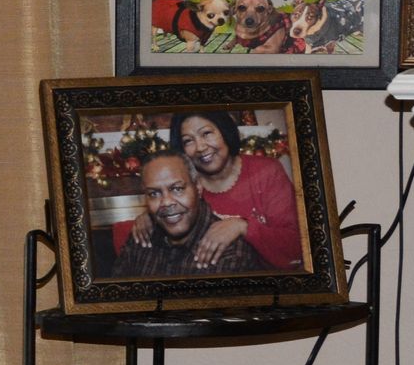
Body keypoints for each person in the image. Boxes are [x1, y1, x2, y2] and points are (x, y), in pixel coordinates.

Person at [126, 112, 302, 271]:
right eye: (188, 141)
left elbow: (297, 246)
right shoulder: (186, 187)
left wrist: (242, 227)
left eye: (206, 133)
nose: (200, 147)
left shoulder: (266, 172)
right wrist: (151, 217)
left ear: (225, 131)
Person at [112, 150, 269, 277]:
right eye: (154, 193)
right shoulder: (141, 235)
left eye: (177, 189)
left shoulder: (229, 251)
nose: (166, 202)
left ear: (198, 189)